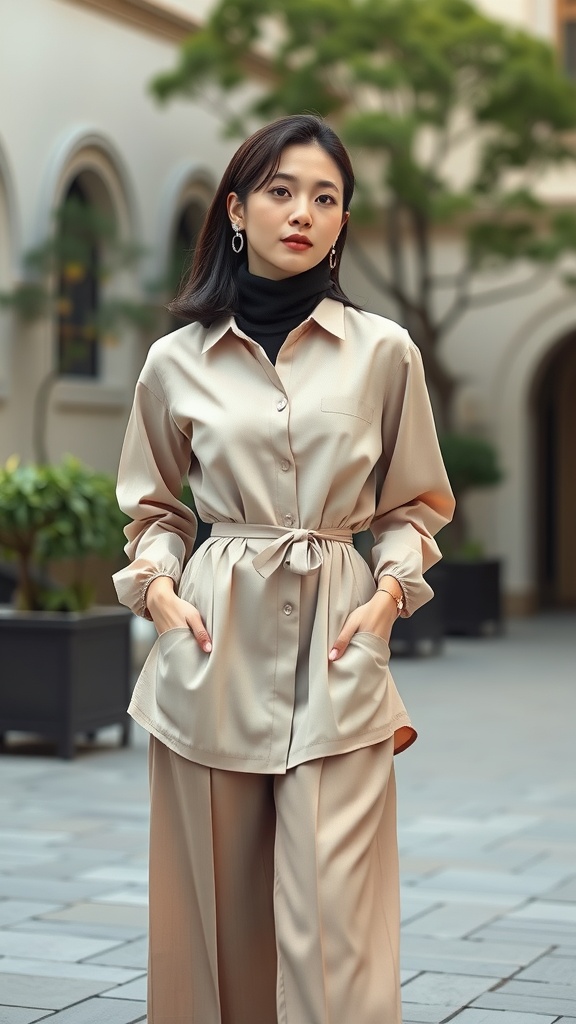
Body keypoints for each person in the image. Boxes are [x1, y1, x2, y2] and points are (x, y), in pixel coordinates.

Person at [113, 114, 455, 1024]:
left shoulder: (385, 353)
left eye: (326, 196)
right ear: (237, 208)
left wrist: (386, 598)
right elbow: (154, 508)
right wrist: (157, 591)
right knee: (212, 929)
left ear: (344, 221)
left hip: (341, 650)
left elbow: (411, 504)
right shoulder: (173, 361)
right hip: (211, 643)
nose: (302, 211)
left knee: (333, 923)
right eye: (280, 190)